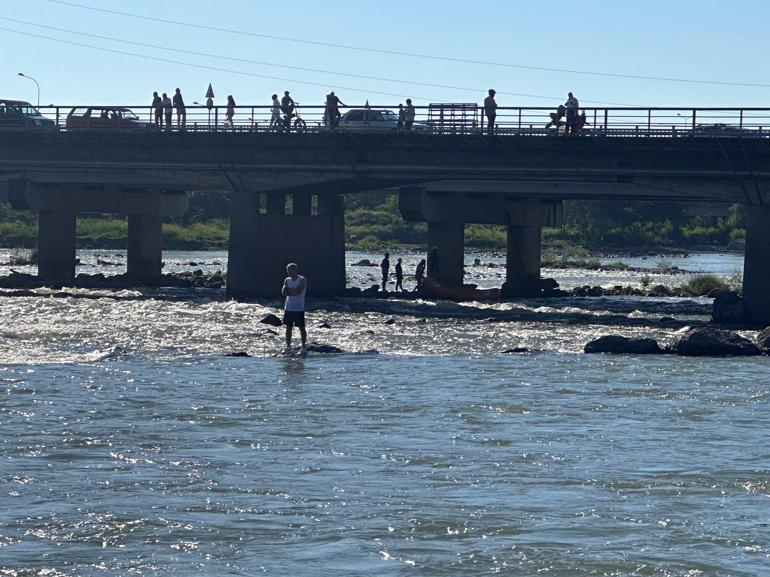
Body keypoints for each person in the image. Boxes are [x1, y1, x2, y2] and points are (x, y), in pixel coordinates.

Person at [281, 263, 307, 353]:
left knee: (301, 327)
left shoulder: (302, 279)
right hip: (288, 307)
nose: (289, 272)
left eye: (290, 270)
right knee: (288, 328)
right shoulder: (287, 280)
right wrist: (291, 291)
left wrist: (290, 291)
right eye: (287, 270)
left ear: (295, 270)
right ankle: (288, 347)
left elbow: (298, 291)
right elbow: (283, 292)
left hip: (299, 308)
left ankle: (303, 347)